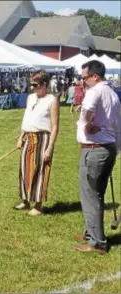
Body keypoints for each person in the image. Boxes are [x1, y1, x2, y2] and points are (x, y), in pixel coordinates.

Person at [74, 60, 121, 254]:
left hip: (95, 149)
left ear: (95, 76)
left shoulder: (95, 91)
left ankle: (97, 242)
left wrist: (86, 123)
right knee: (96, 194)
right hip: (107, 147)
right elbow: (118, 124)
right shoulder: (113, 94)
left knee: (90, 195)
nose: (82, 82)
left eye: (84, 78)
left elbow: (87, 110)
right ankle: (91, 232)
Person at [15, 70, 60, 216]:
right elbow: (26, 118)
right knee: (24, 168)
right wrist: (21, 137)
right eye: (31, 85)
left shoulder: (52, 101)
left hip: (43, 138)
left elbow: (54, 126)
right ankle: (25, 200)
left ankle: (38, 205)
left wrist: (50, 147)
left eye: (35, 84)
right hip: (29, 136)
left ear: (44, 84)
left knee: (40, 170)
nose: (33, 87)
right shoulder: (30, 98)